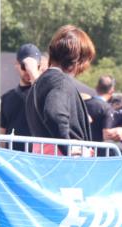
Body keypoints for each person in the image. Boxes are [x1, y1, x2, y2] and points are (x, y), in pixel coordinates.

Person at [25, 25, 95, 156]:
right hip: (64, 164)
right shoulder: (60, 82)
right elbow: (54, 113)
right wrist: (70, 149)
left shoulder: (39, 83)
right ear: (78, 59)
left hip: (45, 160)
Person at [0, 43, 43, 151]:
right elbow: (2, 136)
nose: (28, 70)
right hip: (13, 159)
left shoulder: (45, 95)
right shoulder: (6, 98)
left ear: (39, 67)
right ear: (17, 65)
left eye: (34, 66)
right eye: (24, 66)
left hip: (38, 159)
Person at [85, 75, 116, 156]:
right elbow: (107, 134)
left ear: (96, 88)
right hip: (97, 152)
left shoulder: (83, 103)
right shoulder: (107, 108)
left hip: (82, 149)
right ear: (112, 90)